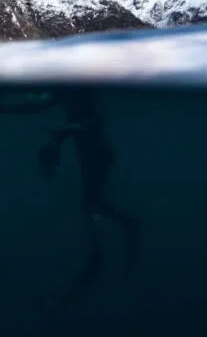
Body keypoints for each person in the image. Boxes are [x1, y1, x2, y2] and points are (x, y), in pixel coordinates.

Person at [37, 94, 140, 310]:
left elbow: (97, 120)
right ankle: (119, 234)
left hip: (96, 157)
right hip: (90, 158)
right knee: (93, 205)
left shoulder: (82, 94)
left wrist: (67, 130)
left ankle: (102, 254)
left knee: (92, 206)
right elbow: (42, 106)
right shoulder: (66, 96)